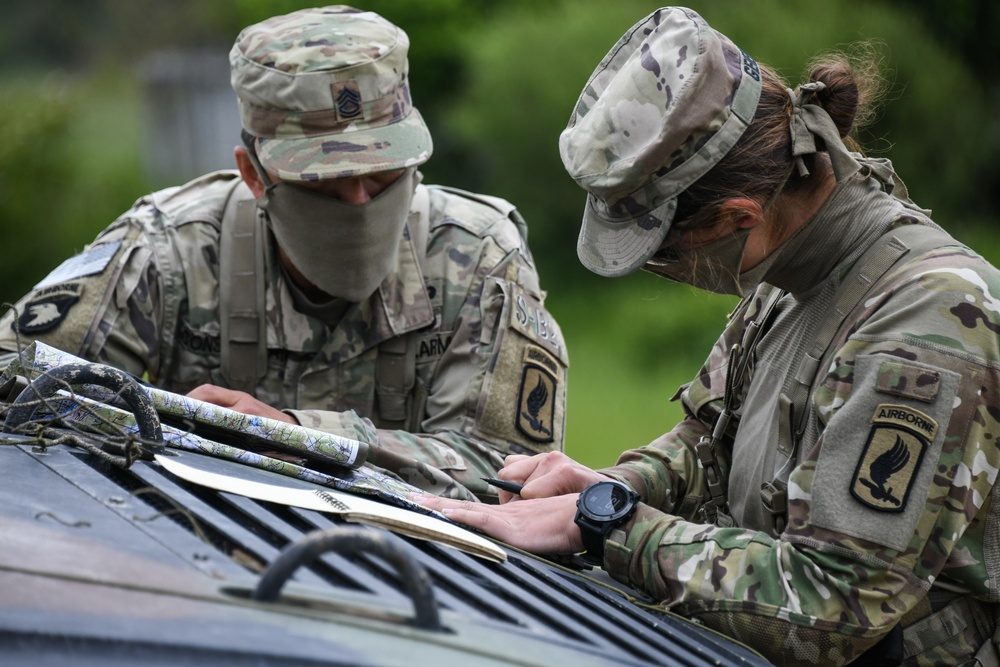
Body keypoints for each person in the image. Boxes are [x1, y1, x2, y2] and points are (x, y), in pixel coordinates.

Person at [413, 6, 1000, 665]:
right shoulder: (790, 264)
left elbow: (834, 601)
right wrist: (617, 484)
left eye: (665, 254)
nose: (673, 273)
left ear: (734, 214)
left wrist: (609, 525)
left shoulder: (926, 323)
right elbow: (706, 442)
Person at [0, 5, 568, 502]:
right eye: (323, 182)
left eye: (385, 175)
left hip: (420, 586)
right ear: (253, 173)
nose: (359, 202)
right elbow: (16, 384)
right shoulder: (171, 250)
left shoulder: (476, 257)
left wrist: (293, 437)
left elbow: (514, 479)